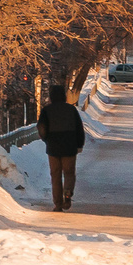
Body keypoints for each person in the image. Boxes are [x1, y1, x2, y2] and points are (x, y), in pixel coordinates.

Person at [39, 82, 87, 211]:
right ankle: (68, 191)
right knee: (69, 173)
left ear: (51, 96)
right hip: (69, 145)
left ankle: (58, 204)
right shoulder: (71, 110)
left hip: (53, 146)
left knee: (55, 175)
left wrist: (46, 139)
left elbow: (42, 128)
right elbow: (79, 128)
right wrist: (79, 144)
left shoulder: (46, 111)